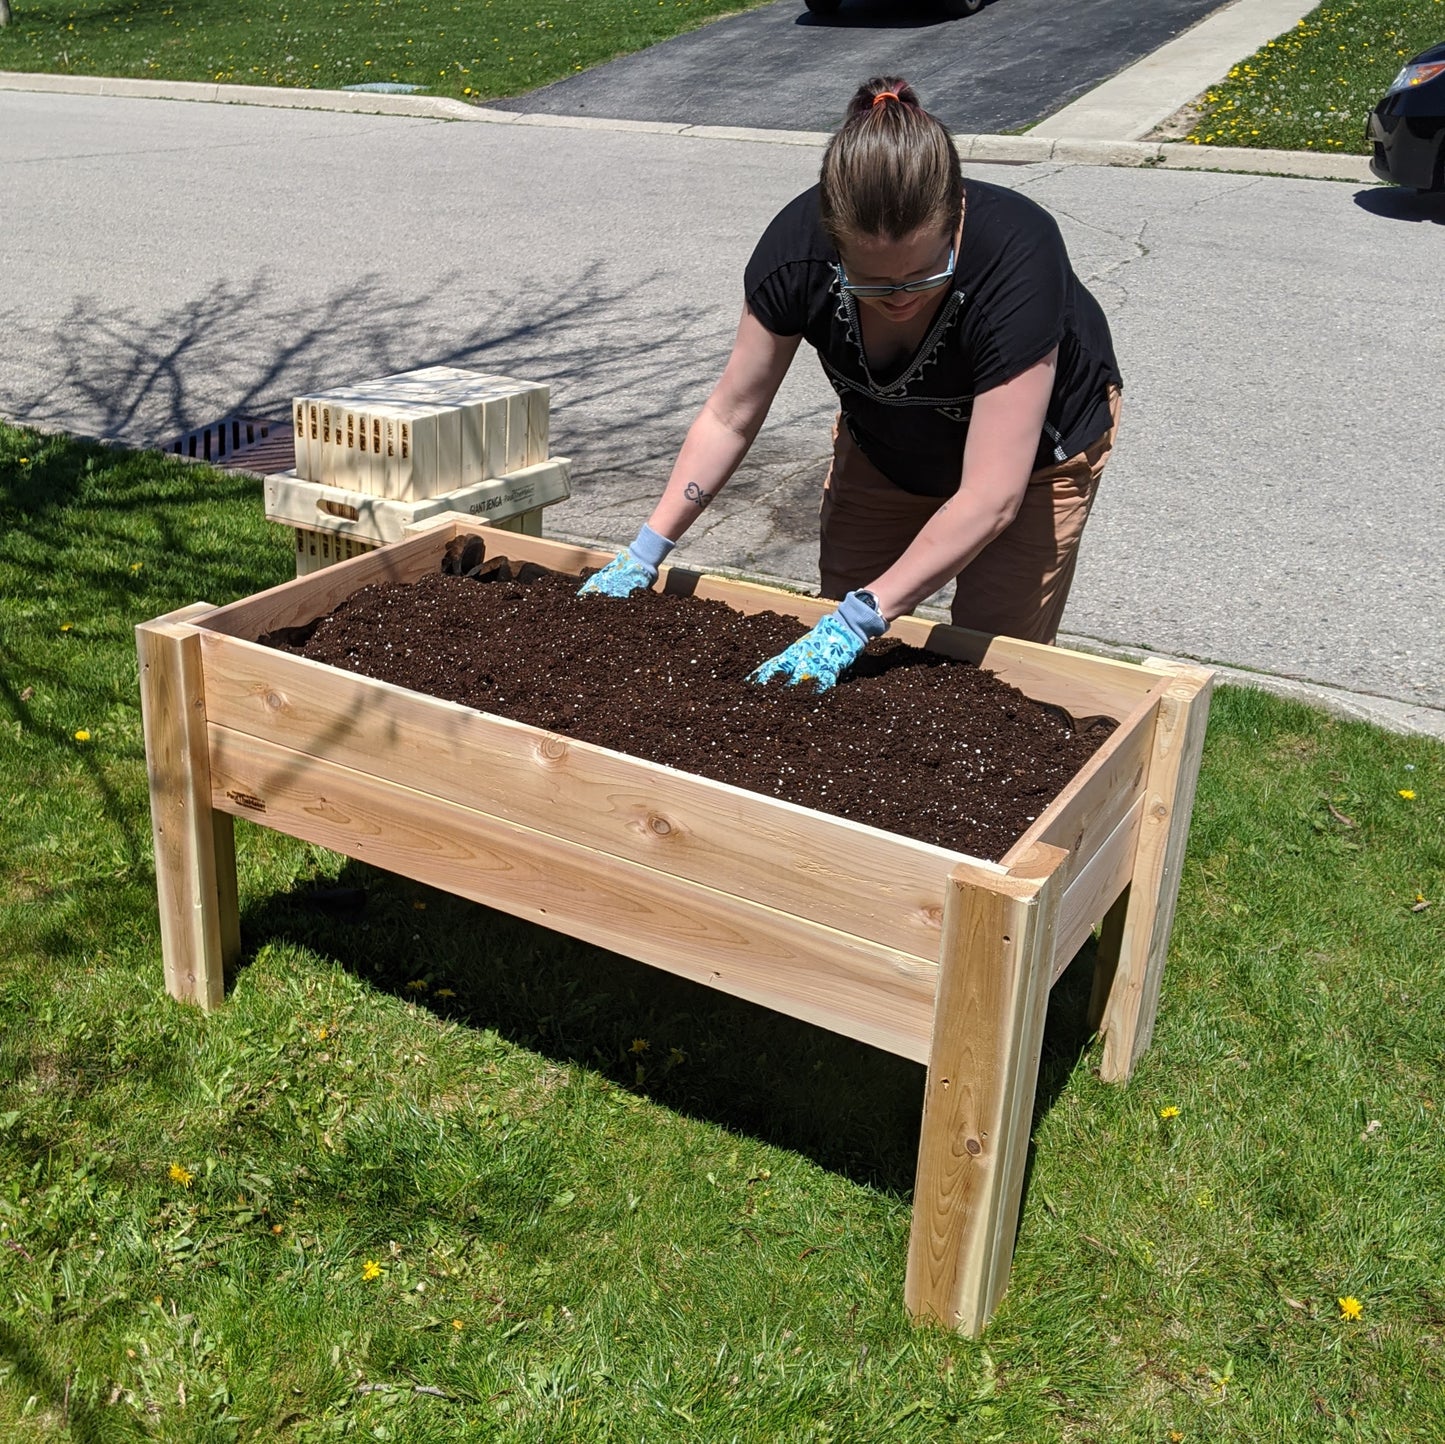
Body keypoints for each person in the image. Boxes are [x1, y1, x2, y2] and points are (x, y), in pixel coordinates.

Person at [579, 75, 1123, 692]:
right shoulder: (795, 256)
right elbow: (732, 415)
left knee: (987, 666)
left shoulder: (1016, 259)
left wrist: (859, 620)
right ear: (833, 244)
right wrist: (647, 548)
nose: (897, 298)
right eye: (871, 280)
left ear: (956, 221)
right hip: (885, 445)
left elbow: (990, 497)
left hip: (1030, 468)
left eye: (922, 276)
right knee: (836, 633)